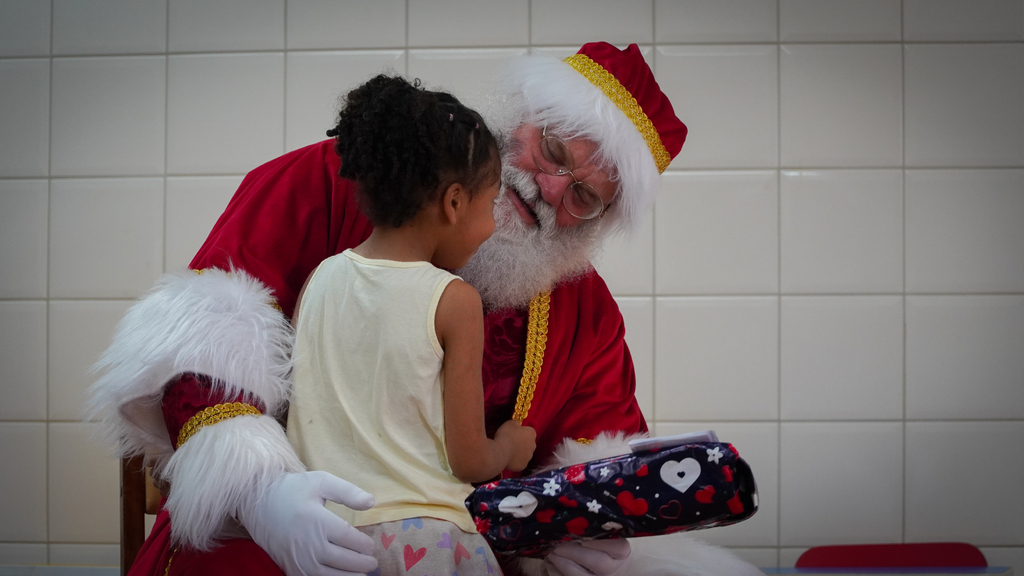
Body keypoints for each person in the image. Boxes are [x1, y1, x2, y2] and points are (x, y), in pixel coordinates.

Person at [90, 42, 763, 576]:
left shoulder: (586, 313)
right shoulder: (329, 180)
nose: (550, 189)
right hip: (283, 536)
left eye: (585, 197)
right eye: (551, 152)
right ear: (513, 120)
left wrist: (581, 528)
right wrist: (261, 494)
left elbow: (602, 456)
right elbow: (201, 342)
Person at [289, 74, 536, 575]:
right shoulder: (454, 301)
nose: (493, 225)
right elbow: (469, 460)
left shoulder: (320, 279)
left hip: (325, 539)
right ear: (454, 202)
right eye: (490, 205)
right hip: (424, 540)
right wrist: (510, 443)